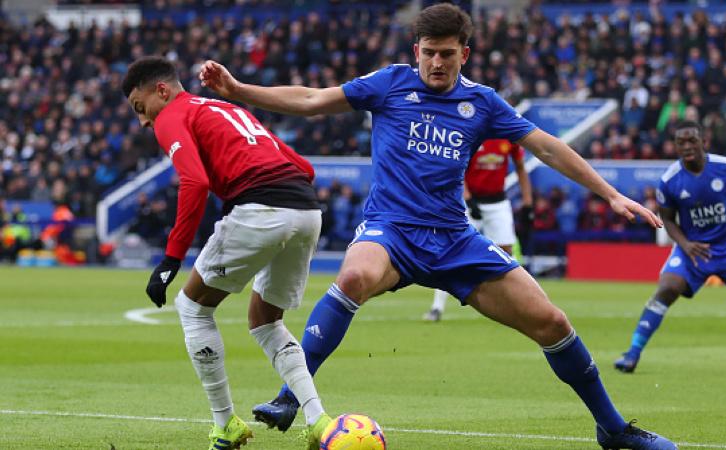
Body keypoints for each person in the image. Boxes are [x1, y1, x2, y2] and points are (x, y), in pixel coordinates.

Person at [200, 4, 676, 449]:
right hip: (392, 230)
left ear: (463, 54)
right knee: (352, 278)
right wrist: (239, 91)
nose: (437, 63)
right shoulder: (388, 85)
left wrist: (611, 193)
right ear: (416, 52)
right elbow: (310, 99)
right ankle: (290, 397)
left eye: (447, 54)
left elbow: (547, 147)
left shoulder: (482, 102)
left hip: (454, 240)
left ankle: (612, 429)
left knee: (552, 323)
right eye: (429, 53)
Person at [122, 56, 333, 450]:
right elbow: (302, 164)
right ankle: (319, 420)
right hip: (306, 210)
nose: (144, 122)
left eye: (141, 108)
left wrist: (171, 259)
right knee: (266, 320)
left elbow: (194, 181)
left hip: (261, 208)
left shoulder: (172, 115)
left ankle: (225, 425)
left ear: (162, 91)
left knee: (192, 308)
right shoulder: (222, 106)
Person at [614, 120, 726, 376]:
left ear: (703, 142)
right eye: (681, 142)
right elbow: (668, 219)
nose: (687, 146)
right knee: (667, 288)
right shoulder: (670, 181)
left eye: (692, 140)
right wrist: (685, 244)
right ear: (675, 146)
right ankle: (632, 354)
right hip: (694, 249)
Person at [424, 138, 534, 322]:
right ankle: (437, 307)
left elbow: (521, 168)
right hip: (470, 203)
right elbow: (458, 169)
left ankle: (524, 306)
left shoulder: (508, 138)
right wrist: (467, 198)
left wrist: (528, 204)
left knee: (506, 254)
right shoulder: (475, 135)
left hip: (498, 203)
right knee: (451, 252)